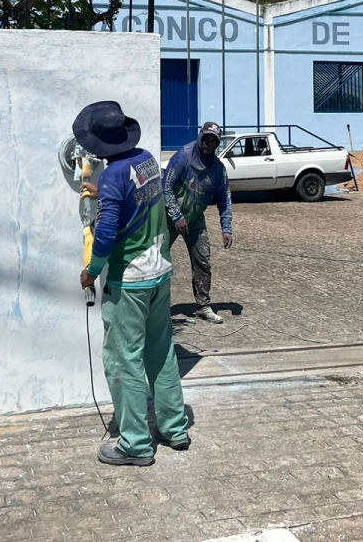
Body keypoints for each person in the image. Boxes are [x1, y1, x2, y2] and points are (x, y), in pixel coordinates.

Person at [74, 100, 190, 467]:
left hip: (130, 282)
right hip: (160, 273)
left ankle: (136, 443)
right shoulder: (146, 160)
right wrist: (102, 193)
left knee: (124, 360)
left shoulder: (112, 177)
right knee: (161, 353)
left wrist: (92, 271)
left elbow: (106, 233)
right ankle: (175, 428)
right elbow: (137, 199)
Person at [162, 121, 234, 324]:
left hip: (195, 220)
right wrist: (176, 216)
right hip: (169, 218)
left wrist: (226, 228)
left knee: (203, 261)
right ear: (200, 137)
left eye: (213, 140)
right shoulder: (182, 157)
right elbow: (165, 188)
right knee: (159, 261)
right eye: (206, 138)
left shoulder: (218, 170)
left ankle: (203, 306)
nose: (208, 143)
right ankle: (157, 307)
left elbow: (225, 200)